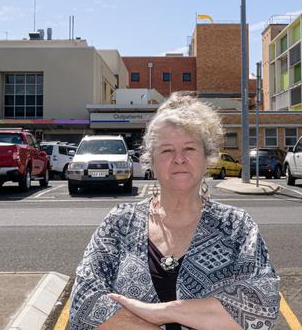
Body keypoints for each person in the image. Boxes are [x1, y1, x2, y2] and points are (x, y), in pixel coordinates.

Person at [69, 92, 280, 330]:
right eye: (167, 150)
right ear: (151, 162)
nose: (179, 159)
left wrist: (163, 312)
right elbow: (84, 304)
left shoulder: (237, 225)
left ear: (206, 156)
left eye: (189, 148)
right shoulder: (119, 222)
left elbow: (262, 307)